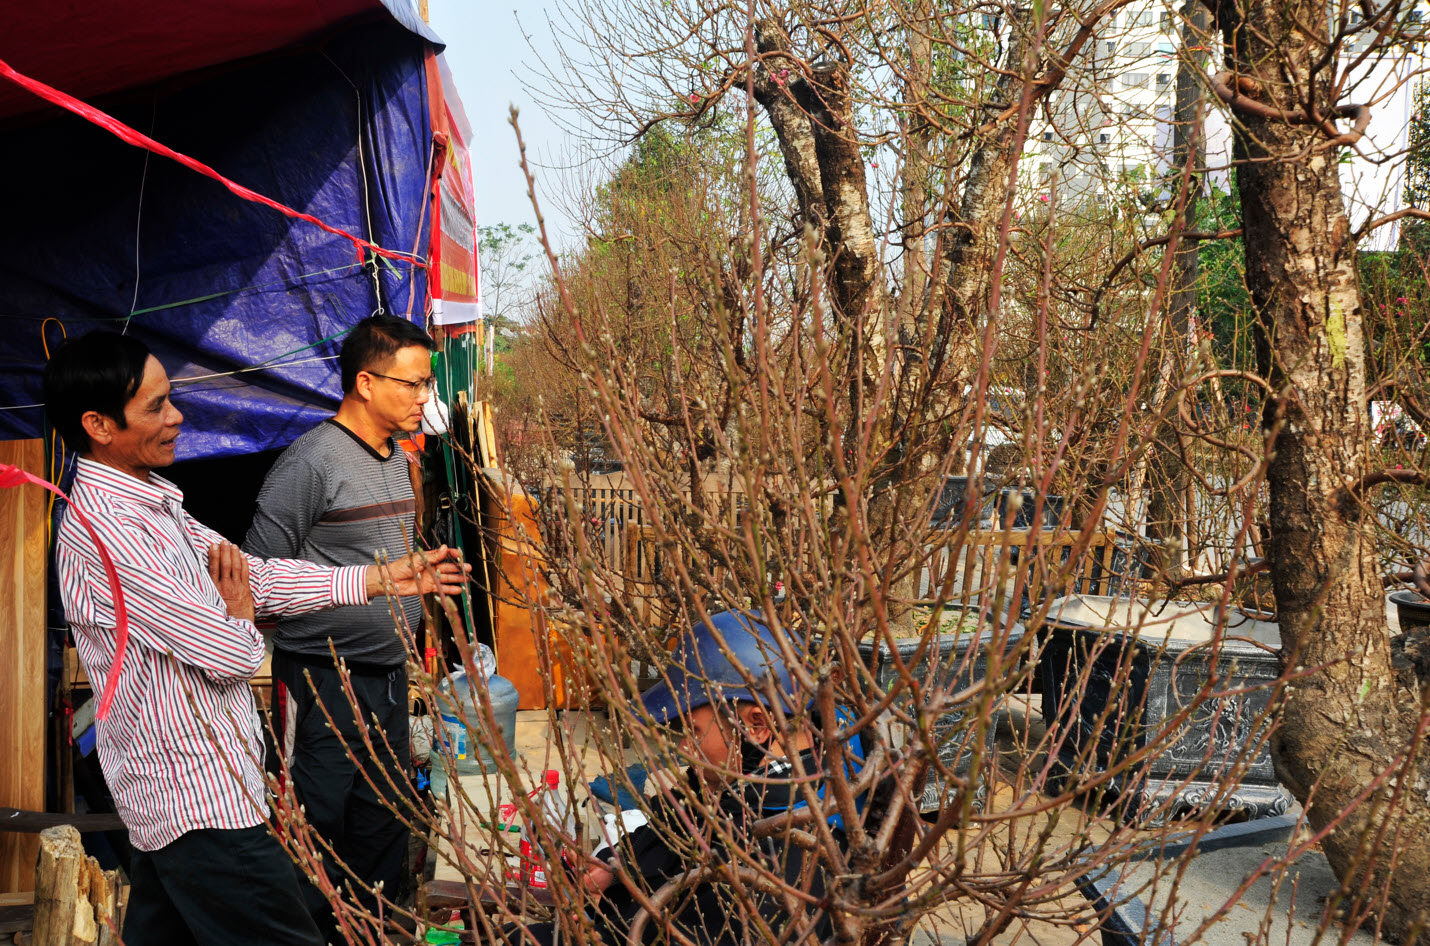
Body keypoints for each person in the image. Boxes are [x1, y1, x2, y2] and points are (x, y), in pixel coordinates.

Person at [43, 331, 468, 946]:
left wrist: (381, 579)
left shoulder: (157, 505)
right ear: (99, 425)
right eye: (157, 406)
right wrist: (241, 618)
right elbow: (229, 651)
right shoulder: (113, 530)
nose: (177, 416)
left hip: (208, 786)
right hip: (195, 795)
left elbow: (256, 576)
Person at [243, 313, 438, 937]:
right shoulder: (312, 463)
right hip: (321, 686)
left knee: (386, 830)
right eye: (412, 384)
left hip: (386, 684)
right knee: (314, 835)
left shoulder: (399, 462)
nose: (423, 398)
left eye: (426, 384)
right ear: (365, 382)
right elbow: (255, 577)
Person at [530, 610, 851, 946]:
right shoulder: (741, 788)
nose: (684, 747)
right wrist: (615, 865)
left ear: (756, 725)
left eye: (693, 731)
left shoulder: (776, 858)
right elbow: (668, 831)